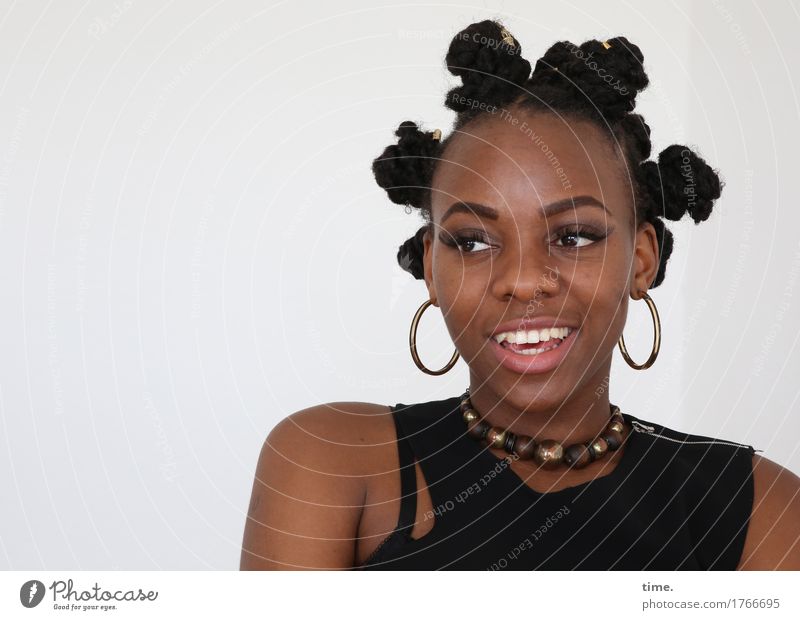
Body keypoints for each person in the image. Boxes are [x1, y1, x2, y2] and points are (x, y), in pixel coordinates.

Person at [240, 19, 800, 570]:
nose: (524, 280)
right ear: (432, 268)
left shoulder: (760, 509)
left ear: (642, 260)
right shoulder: (332, 462)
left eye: (574, 235)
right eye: (474, 241)